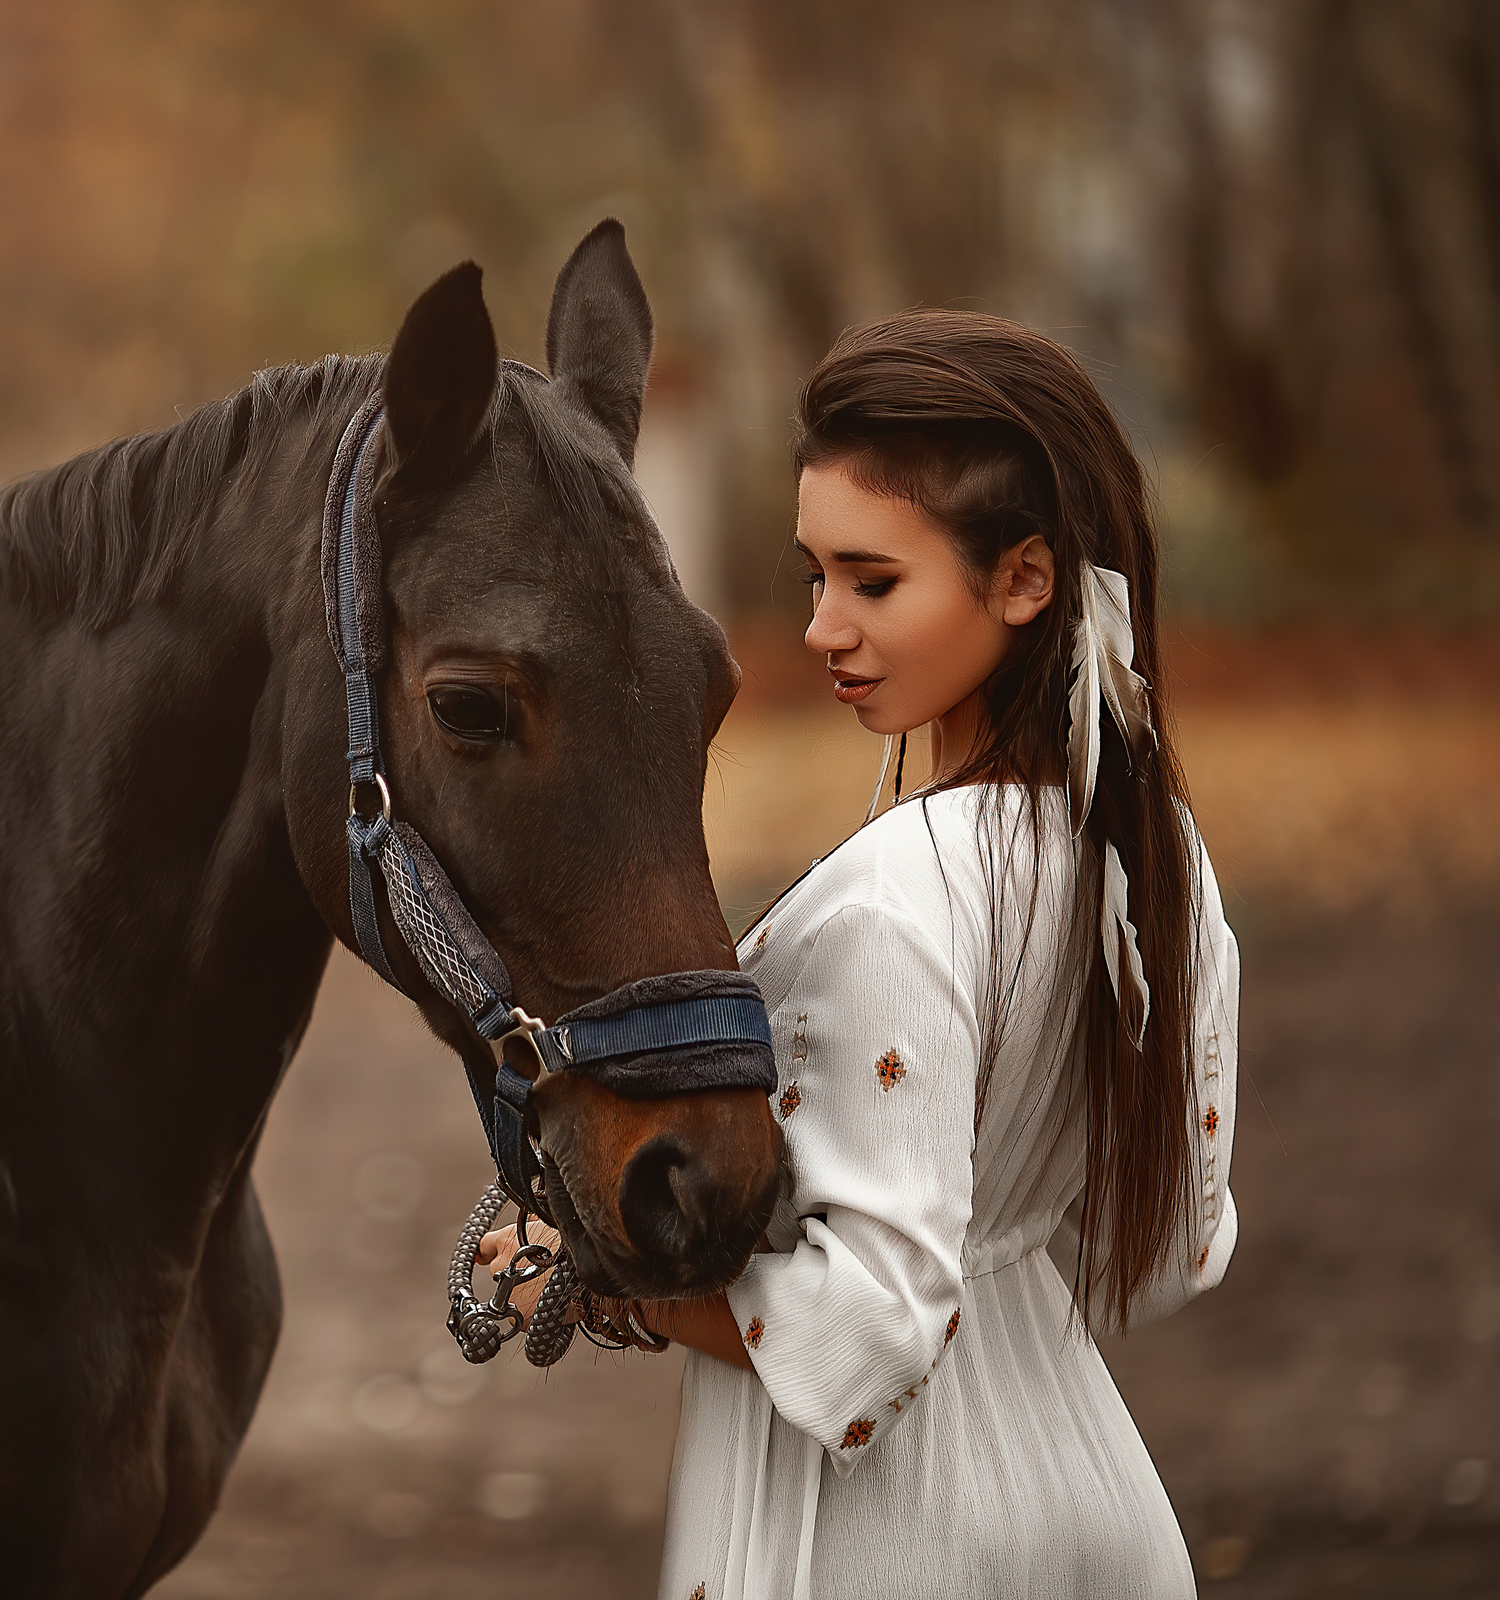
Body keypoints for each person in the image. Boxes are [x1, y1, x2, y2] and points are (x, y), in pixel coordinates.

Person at [483, 310, 1238, 1598]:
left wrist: (595, 1276)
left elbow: (867, 1333)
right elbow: (1180, 1243)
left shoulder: (894, 902)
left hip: (889, 1541)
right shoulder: (1148, 849)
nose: (825, 626)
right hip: (1094, 1496)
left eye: (874, 583)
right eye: (815, 574)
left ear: (1025, 579)